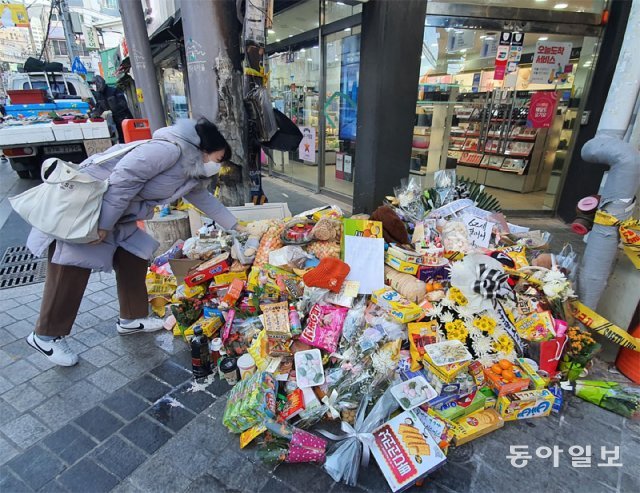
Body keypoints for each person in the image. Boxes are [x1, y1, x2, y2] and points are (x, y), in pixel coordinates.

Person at [26, 118, 238, 367]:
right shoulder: (168, 149)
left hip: (119, 214)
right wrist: (103, 225)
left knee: (134, 256)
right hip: (88, 209)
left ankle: (131, 318)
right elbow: (122, 181)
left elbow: (203, 199)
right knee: (70, 264)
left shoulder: (189, 171)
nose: (217, 166)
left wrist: (236, 226)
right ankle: (46, 335)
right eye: (217, 159)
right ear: (203, 149)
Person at [91, 75, 134, 143]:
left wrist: (111, 110)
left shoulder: (114, 90)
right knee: (120, 140)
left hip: (124, 119)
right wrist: (93, 114)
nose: (94, 86)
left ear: (99, 83)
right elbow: (98, 108)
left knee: (129, 139)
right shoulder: (99, 95)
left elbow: (123, 104)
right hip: (113, 122)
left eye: (95, 84)